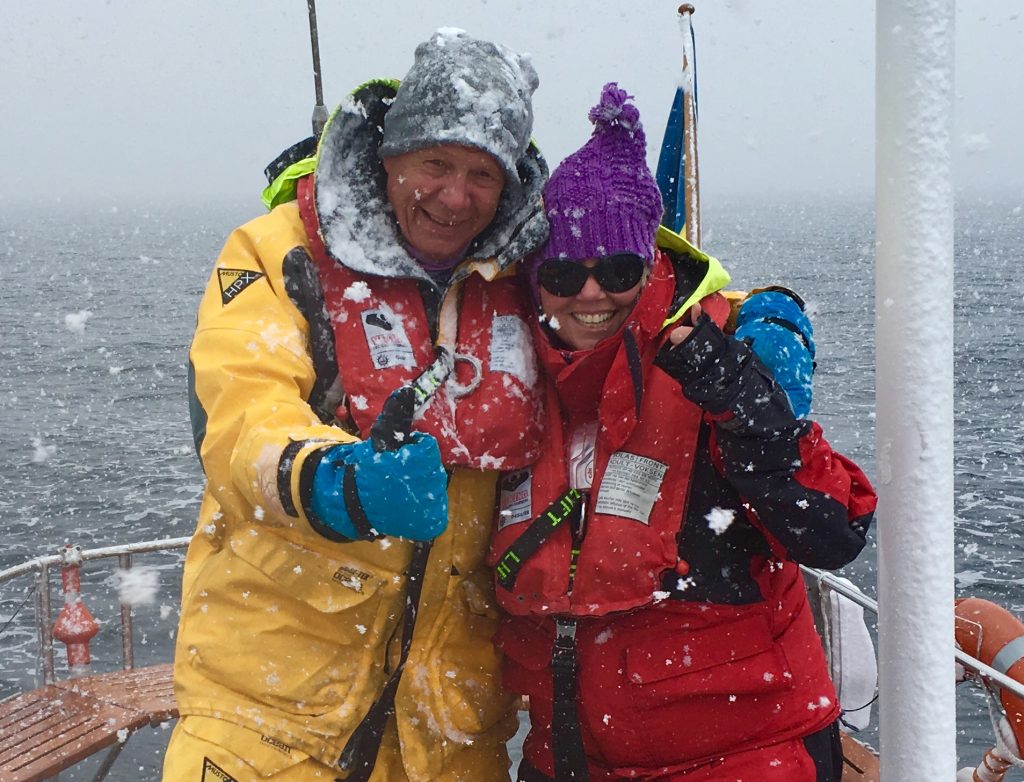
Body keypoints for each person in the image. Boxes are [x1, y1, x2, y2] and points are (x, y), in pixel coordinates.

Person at [163, 29, 550, 782]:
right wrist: (338, 483)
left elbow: (641, 284)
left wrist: (749, 312)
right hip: (267, 720)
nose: (455, 195)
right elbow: (240, 419)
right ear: (387, 156)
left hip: (450, 735)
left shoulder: (534, 277)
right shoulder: (278, 254)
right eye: (435, 163)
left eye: (482, 174)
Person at [488, 83, 878, 782]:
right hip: (569, 760)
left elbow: (832, 530)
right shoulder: (502, 377)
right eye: (563, 272)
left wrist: (741, 402)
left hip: (744, 758)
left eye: (617, 269)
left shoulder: (719, 355)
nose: (590, 294)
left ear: (651, 265)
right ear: (531, 277)